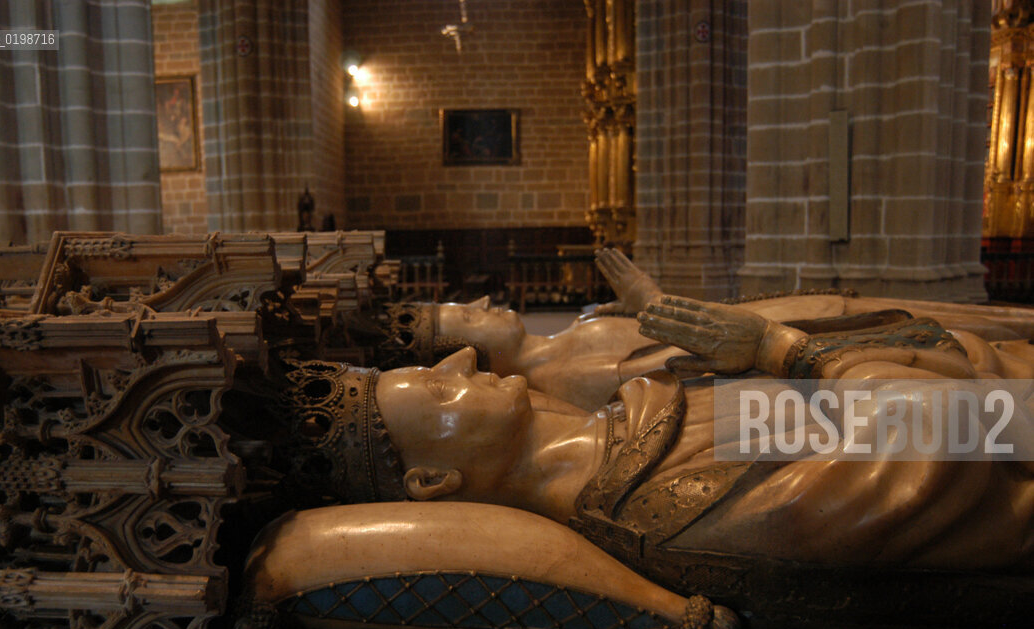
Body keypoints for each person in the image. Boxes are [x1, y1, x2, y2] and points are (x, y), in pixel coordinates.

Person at [241, 296, 1034, 629]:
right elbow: (957, 434)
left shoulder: (633, 423)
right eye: (440, 393)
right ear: (431, 480)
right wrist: (786, 350)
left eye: (438, 365)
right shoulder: (677, 517)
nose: (463, 366)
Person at [371, 249, 1034, 411]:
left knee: (985, 331)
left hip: (803, 322)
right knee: (980, 356)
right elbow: (715, 366)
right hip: (825, 358)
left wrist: (643, 301)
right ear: (463, 352)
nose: (485, 301)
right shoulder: (573, 379)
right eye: (465, 314)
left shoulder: (578, 328)